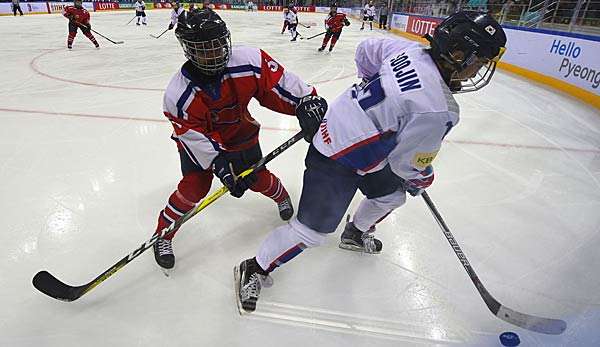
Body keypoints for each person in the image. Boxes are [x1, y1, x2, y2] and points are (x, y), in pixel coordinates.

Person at [234, 10, 507, 313]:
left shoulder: (410, 50)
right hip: (337, 158)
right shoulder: (438, 109)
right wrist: (422, 176)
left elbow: (366, 51)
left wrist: (376, 98)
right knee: (310, 232)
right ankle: (255, 268)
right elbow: (407, 166)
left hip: (349, 133)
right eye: (480, 61)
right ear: (458, 54)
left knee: (390, 195)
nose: (479, 70)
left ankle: (355, 232)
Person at [152, 9, 319, 270]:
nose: (215, 52)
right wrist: (219, 164)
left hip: (240, 133)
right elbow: (193, 137)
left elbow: (277, 85)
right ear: (188, 50)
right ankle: (163, 234)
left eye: (218, 44)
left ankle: (282, 196)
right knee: (194, 188)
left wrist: (305, 102)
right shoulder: (178, 95)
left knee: (257, 177)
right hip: (200, 144)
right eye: (204, 49)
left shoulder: (249, 60)